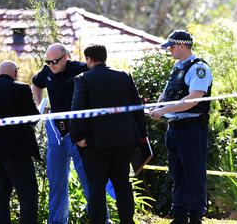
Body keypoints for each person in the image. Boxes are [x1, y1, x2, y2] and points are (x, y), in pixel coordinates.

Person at [70, 44, 148, 224]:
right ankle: (127, 221)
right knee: (122, 183)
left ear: (88, 60)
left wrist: (77, 137)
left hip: (96, 143)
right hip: (124, 140)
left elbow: (77, 109)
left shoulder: (83, 79)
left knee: (96, 187)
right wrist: (141, 135)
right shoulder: (123, 76)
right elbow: (137, 107)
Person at [148, 30, 213, 224]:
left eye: (172, 47)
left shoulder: (199, 68)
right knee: (177, 173)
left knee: (193, 173)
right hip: (174, 126)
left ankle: (195, 216)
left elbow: (193, 99)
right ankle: (179, 216)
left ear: (182, 45)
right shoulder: (178, 67)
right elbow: (168, 93)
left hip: (192, 128)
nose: (170, 51)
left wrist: (165, 109)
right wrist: (157, 107)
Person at [31, 43, 93, 224]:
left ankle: (100, 218)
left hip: (78, 130)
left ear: (66, 56)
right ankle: (57, 221)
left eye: (55, 61)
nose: (51, 65)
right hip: (56, 131)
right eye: (48, 62)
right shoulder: (46, 72)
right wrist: (39, 105)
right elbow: (35, 83)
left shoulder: (81, 69)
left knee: (88, 178)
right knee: (56, 181)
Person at [0, 61, 40, 223]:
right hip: (17, 151)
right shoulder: (21, 88)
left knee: (1, 197)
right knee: (28, 194)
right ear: (16, 72)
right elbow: (33, 118)